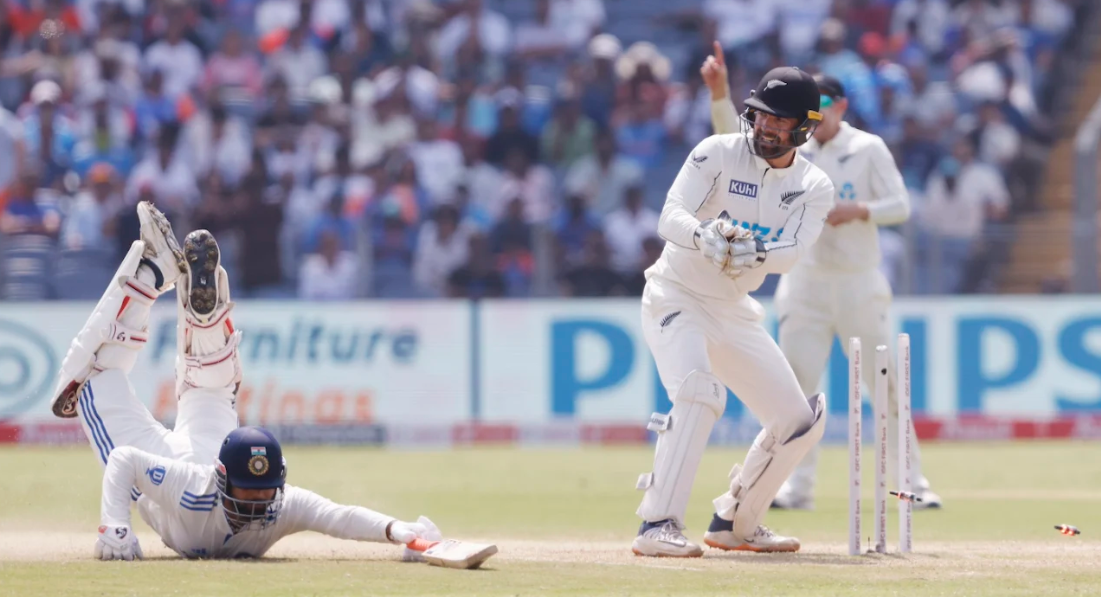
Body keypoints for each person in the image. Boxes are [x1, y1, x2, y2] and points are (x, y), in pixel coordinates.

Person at [48, 202, 439, 560]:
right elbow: (124, 461)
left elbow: (337, 516)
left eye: (264, 491)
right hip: (171, 475)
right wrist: (114, 525)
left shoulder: (278, 504)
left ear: (279, 482)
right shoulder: (190, 487)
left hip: (213, 446)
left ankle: (162, 278)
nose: (256, 504)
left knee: (206, 387)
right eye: (249, 492)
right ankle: (174, 293)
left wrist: (398, 531)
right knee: (88, 384)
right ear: (221, 480)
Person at [704, 51, 943, 509]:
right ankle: (793, 489)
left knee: (885, 384)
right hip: (806, 283)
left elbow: (902, 206)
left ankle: (912, 482)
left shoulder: (867, 148)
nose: (819, 111)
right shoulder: (792, 147)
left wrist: (860, 211)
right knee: (795, 392)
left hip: (858, 282)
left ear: (842, 106)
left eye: (827, 101)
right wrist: (719, 95)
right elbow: (727, 142)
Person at [632, 64, 834, 558]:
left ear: (804, 127)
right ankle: (657, 524)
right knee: (699, 392)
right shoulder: (717, 151)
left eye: (779, 122)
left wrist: (757, 254)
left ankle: (735, 523)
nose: (765, 128)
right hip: (676, 293)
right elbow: (669, 215)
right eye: (761, 116)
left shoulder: (814, 186)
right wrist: (702, 233)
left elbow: (793, 253)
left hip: (732, 308)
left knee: (799, 419)